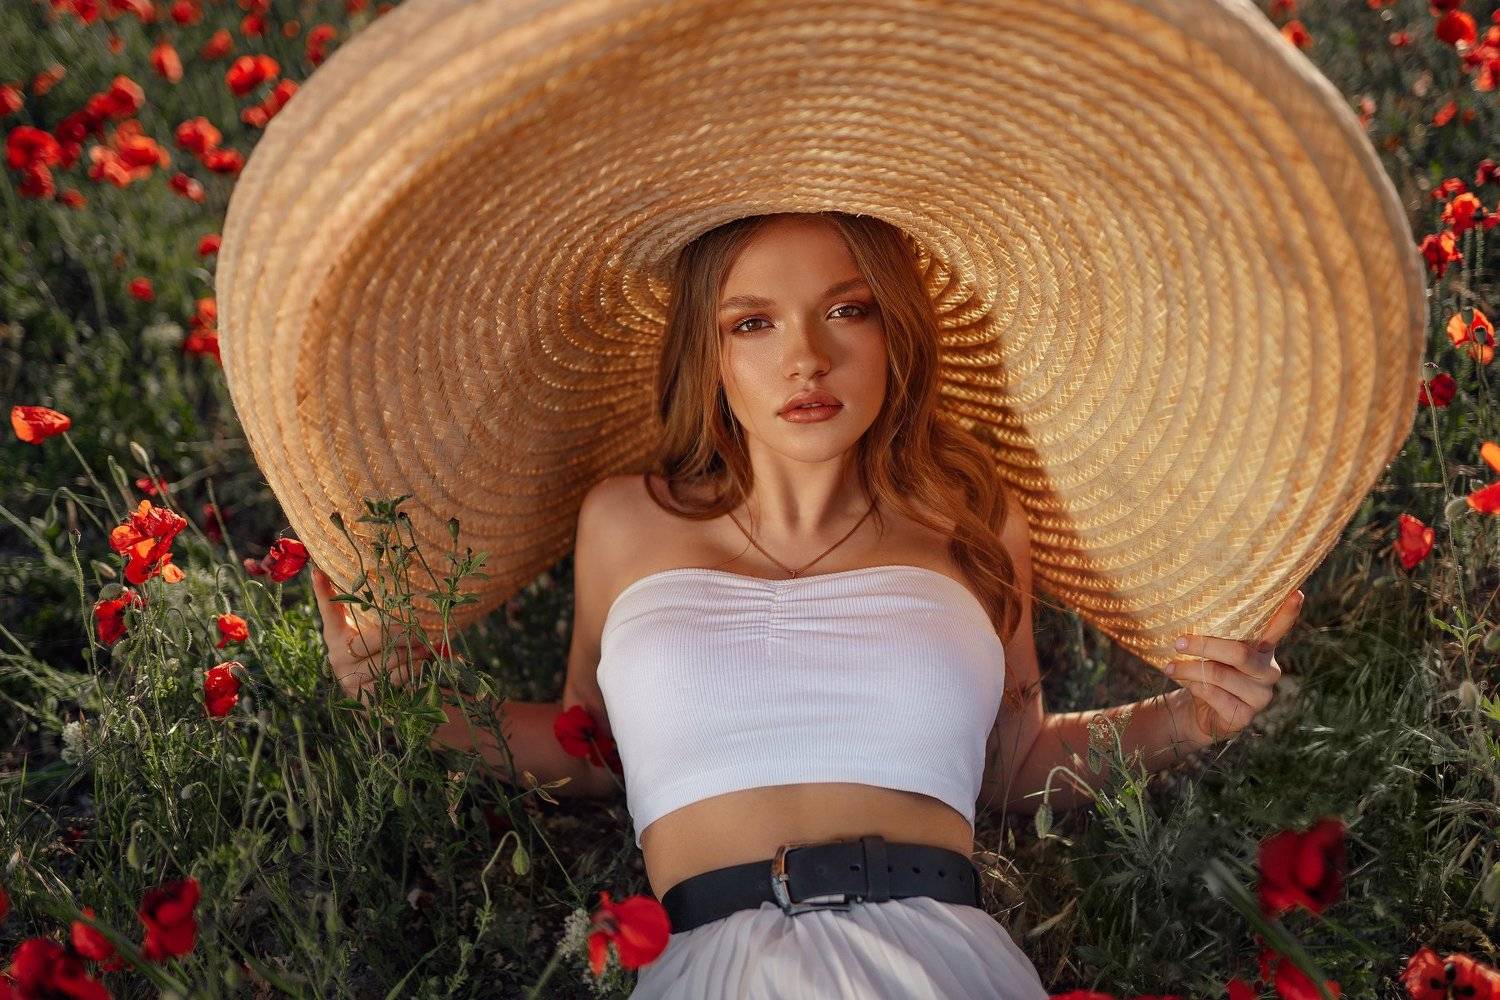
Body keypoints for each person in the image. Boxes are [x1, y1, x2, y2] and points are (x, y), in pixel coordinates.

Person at [307, 210, 1302, 998]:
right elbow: (593, 745)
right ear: (708, 353)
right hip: (709, 963)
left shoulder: (974, 520)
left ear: (897, 328)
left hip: (934, 961)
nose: (806, 359)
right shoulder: (623, 521)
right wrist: (403, 704)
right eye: (754, 322)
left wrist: (1189, 720)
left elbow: (1011, 759)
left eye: (848, 310)